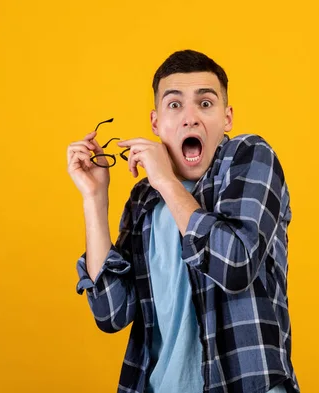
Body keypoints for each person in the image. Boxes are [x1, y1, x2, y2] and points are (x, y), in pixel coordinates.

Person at [67, 49, 301, 393]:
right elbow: (111, 312)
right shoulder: (144, 200)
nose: (190, 118)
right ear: (156, 123)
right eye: (175, 105)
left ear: (227, 118)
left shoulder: (250, 158)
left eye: (205, 104)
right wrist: (95, 198)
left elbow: (236, 264)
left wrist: (166, 181)